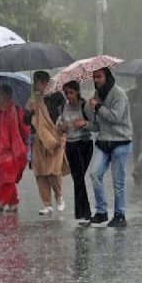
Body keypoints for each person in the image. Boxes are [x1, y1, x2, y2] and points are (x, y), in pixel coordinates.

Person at [85, 67, 133, 228]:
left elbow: (115, 117)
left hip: (121, 141)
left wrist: (98, 107)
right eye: (94, 77)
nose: (96, 80)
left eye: (99, 76)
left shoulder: (118, 94)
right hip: (103, 141)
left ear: (107, 76)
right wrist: (85, 123)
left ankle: (120, 215)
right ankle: (101, 211)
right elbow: (97, 125)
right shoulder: (97, 95)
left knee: (118, 181)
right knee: (94, 174)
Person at [25, 71, 66, 216]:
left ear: (43, 82)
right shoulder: (33, 100)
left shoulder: (57, 96)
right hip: (38, 139)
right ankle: (47, 204)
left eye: (36, 82)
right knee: (41, 172)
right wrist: (29, 111)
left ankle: (59, 197)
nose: (34, 86)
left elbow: (63, 115)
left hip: (55, 138)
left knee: (54, 170)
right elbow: (26, 121)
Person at [58, 81, 96, 226]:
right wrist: (62, 127)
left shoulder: (85, 106)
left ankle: (84, 213)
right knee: (77, 179)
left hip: (84, 145)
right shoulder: (63, 108)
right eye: (66, 93)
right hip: (71, 145)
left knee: (79, 178)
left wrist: (84, 124)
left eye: (71, 93)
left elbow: (95, 125)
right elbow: (59, 126)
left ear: (77, 92)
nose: (69, 96)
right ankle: (82, 213)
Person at [0, 85, 30, 213]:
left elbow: (24, 127)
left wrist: (28, 141)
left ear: (8, 96)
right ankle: (13, 202)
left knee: (8, 177)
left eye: (1, 94)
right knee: (2, 177)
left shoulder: (16, 109)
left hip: (13, 150)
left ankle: (2, 202)